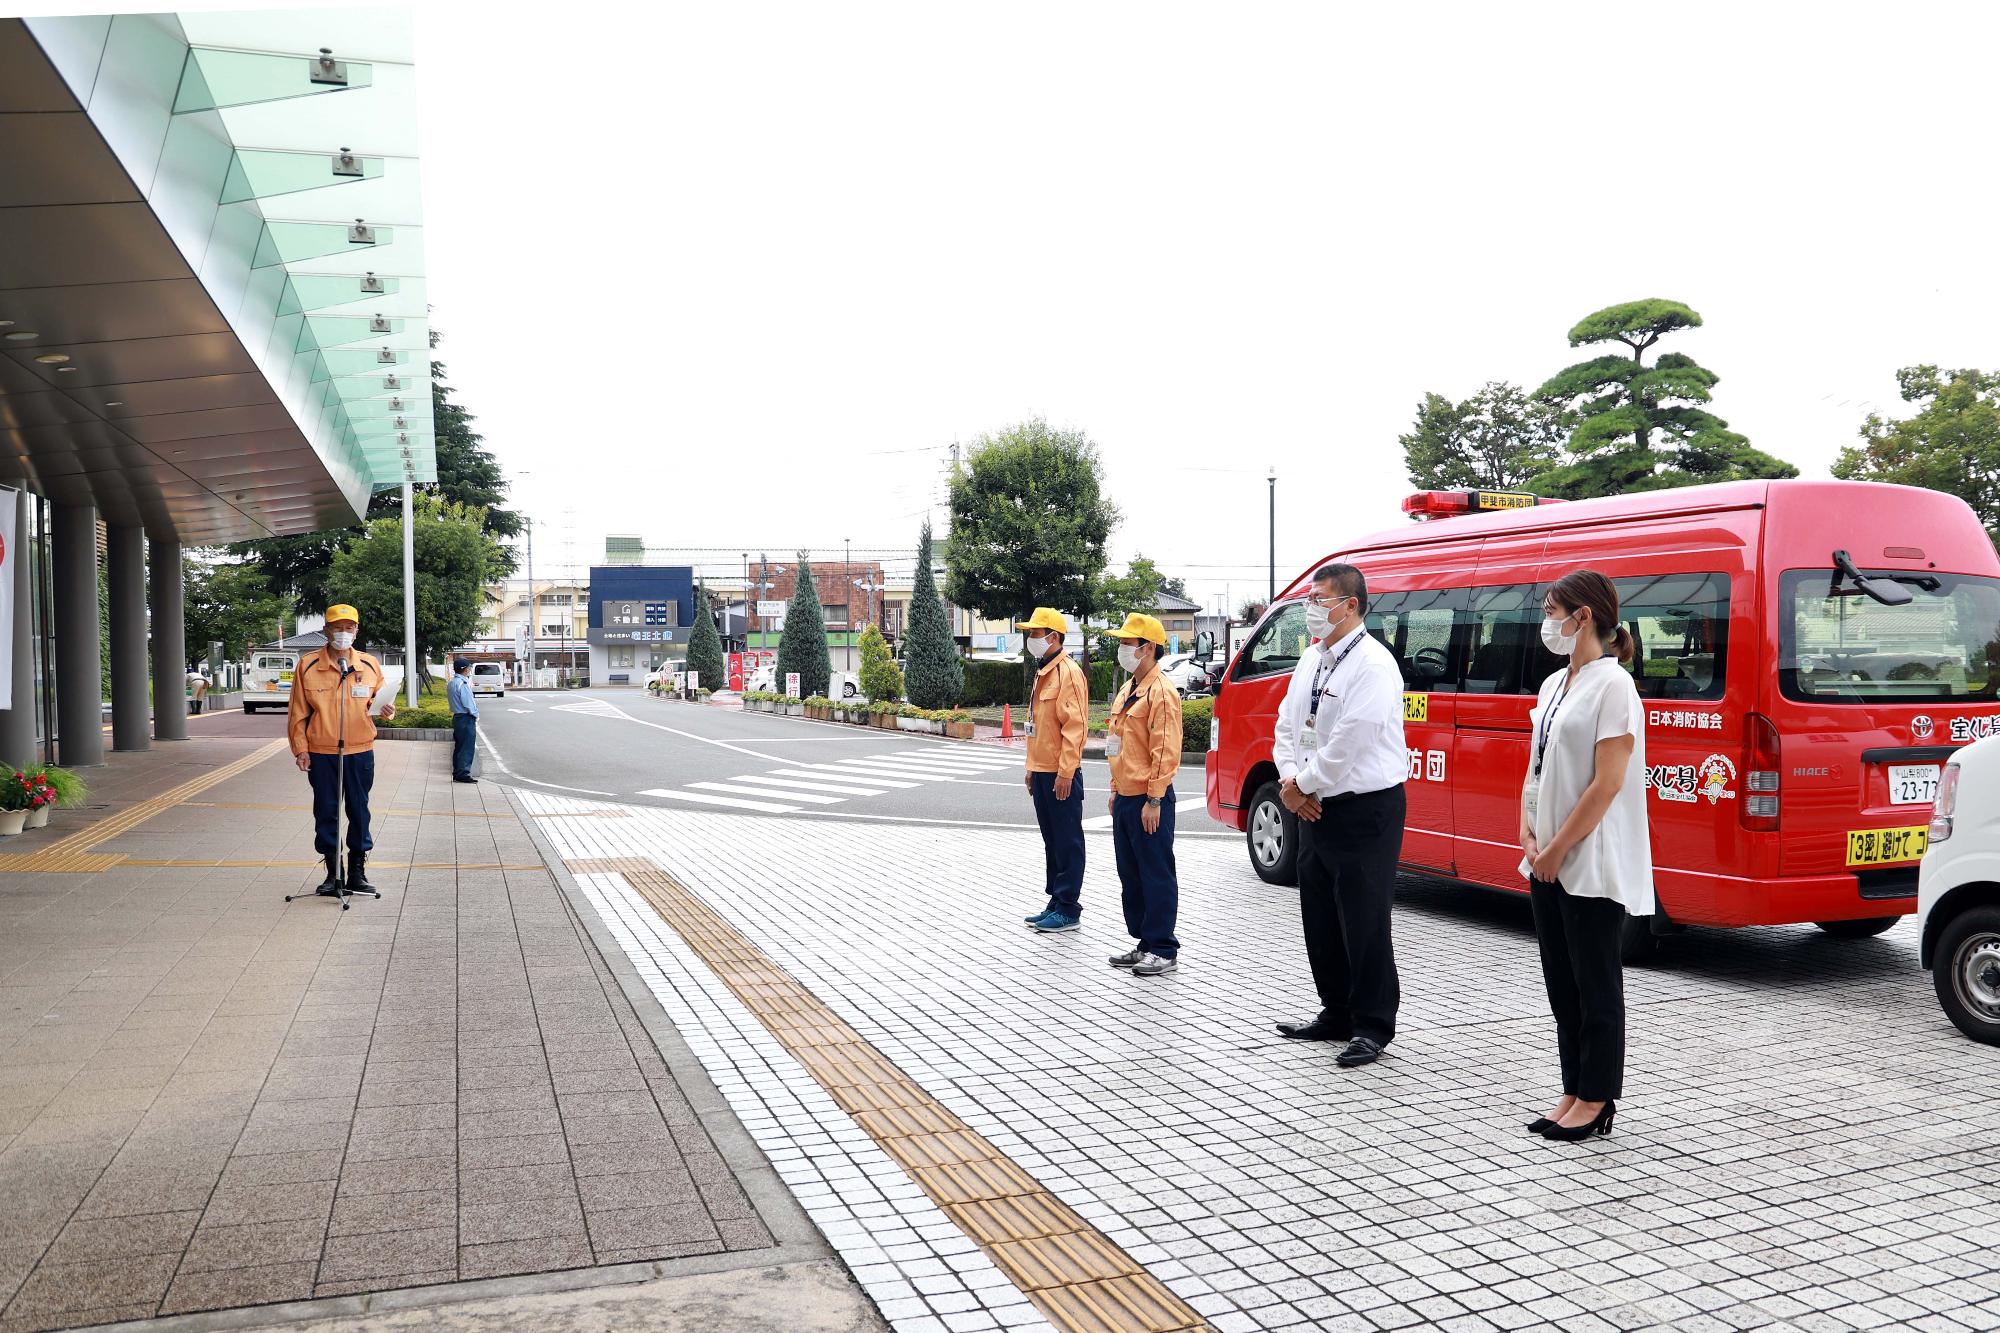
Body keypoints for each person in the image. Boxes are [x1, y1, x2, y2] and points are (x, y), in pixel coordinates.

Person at [1520, 569, 1650, 1142]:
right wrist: (1528, 837)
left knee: (1596, 984)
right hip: (1544, 853)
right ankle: (1572, 1086)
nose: (1547, 622)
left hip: (1588, 857)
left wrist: (1557, 848)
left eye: (1554, 610)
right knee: (1561, 982)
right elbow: (1537, 768)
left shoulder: (1613, 686)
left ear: (1584, 617)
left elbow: (1606, 783)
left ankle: (1597, 1098)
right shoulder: (1554, 686)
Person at [1272, 563, 1408, 1069]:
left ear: (1350, 605)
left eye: (1320, 599)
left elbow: (1351, 741)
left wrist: (1300, 786)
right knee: (1321, 916)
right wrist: (1291, 783)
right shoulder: (1313, 659)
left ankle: (1372, 1025)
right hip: (1311, 802)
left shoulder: (1373, 665)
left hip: (1364, 809)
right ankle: (1335, 1011)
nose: (1311, 607)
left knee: (1364, 919)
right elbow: (1288, 724)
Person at [287, 604, 393, 896]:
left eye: (349, 628)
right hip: (322, 752)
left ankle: (357, 872)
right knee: (327, 812)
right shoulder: (308, 665)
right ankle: (333, 874)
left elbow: (378, 702)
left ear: (357, 631)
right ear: (326, 631)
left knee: (359, 810)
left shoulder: (369, 665)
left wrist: (386, 710)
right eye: (338, 627)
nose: (344, 633)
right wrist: (300, 749)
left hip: (360, 750)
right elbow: (298, 713)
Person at [1103, 613, 1182, 977]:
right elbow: (1119, 745)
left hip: (1150, 799)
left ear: (1148, 648)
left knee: (1155, 873)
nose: (1121, 649)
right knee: (1130, 874)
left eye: (1127, 643)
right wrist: (1116, 789)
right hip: (1126, 796)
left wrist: (1154, 799)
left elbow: (1165, 751)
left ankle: (1164, 948)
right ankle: (1145, 943)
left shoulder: (1161, 692)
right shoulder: (1128, 688)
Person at [1018, 608, 1089, 932]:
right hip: (1043, 768)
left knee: (1067, 841)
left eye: (1036, 633)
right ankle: (1056, 900)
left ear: (1054, 637)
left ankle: (1069, 907)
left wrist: (1065, 772)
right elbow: (1039, 727)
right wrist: (1032, 767)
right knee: (1052, 840)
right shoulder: (1044, 670)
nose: (1031, 639)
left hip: (1061, 773)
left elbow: (1075, 728)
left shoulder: (1068, 673)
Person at [449, 657, 480, 784]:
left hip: (457, 717)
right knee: (467, 747)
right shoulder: (463, 683)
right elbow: (468, 703)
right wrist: (475, 714)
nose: (470, 670)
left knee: (459, 746)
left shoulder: (452, 683)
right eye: (469, 668)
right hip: (466, 717)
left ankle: (457, 772)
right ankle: (463, 774)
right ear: (465, 669)